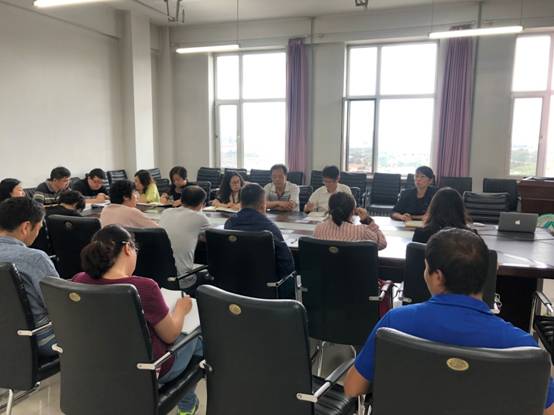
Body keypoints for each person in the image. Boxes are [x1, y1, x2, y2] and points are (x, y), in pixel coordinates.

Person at [343, 228, 554, 415]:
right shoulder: (522, 346)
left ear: (437, 277)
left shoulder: (395, 323)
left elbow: (353, 388)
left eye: (426, 268)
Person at [74, 225, 202, 415]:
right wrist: (181, 310)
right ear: (128, 248)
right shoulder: (144, 287)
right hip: (149, 369)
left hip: (99, 363)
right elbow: (170, 335)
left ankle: (187, 404)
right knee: (199, 336)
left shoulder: (79, 280)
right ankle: (187, 405)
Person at [0, 197, 60, 357]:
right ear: (26, 227)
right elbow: (58, 306)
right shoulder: (33, 258)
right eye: (39, 228)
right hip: (37, 338)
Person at [224, 183, 295, 280]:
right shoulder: (270, 228)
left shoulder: (229, 224)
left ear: (241, 203)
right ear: (263, 205)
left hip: (233, 283)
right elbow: (287, 266)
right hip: (266, 285)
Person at [159, 186, 210, 276]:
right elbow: (212, 239)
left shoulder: (166, 212)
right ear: (202, 204)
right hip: (183, 277)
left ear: (181, 200)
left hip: (160, 274)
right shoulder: (200, 217)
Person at [314, 192, 387, 249]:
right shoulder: (363, 231)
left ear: (329, 209)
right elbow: (382, 244)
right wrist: (367, 221)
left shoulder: (319, 228)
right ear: (352, 211)